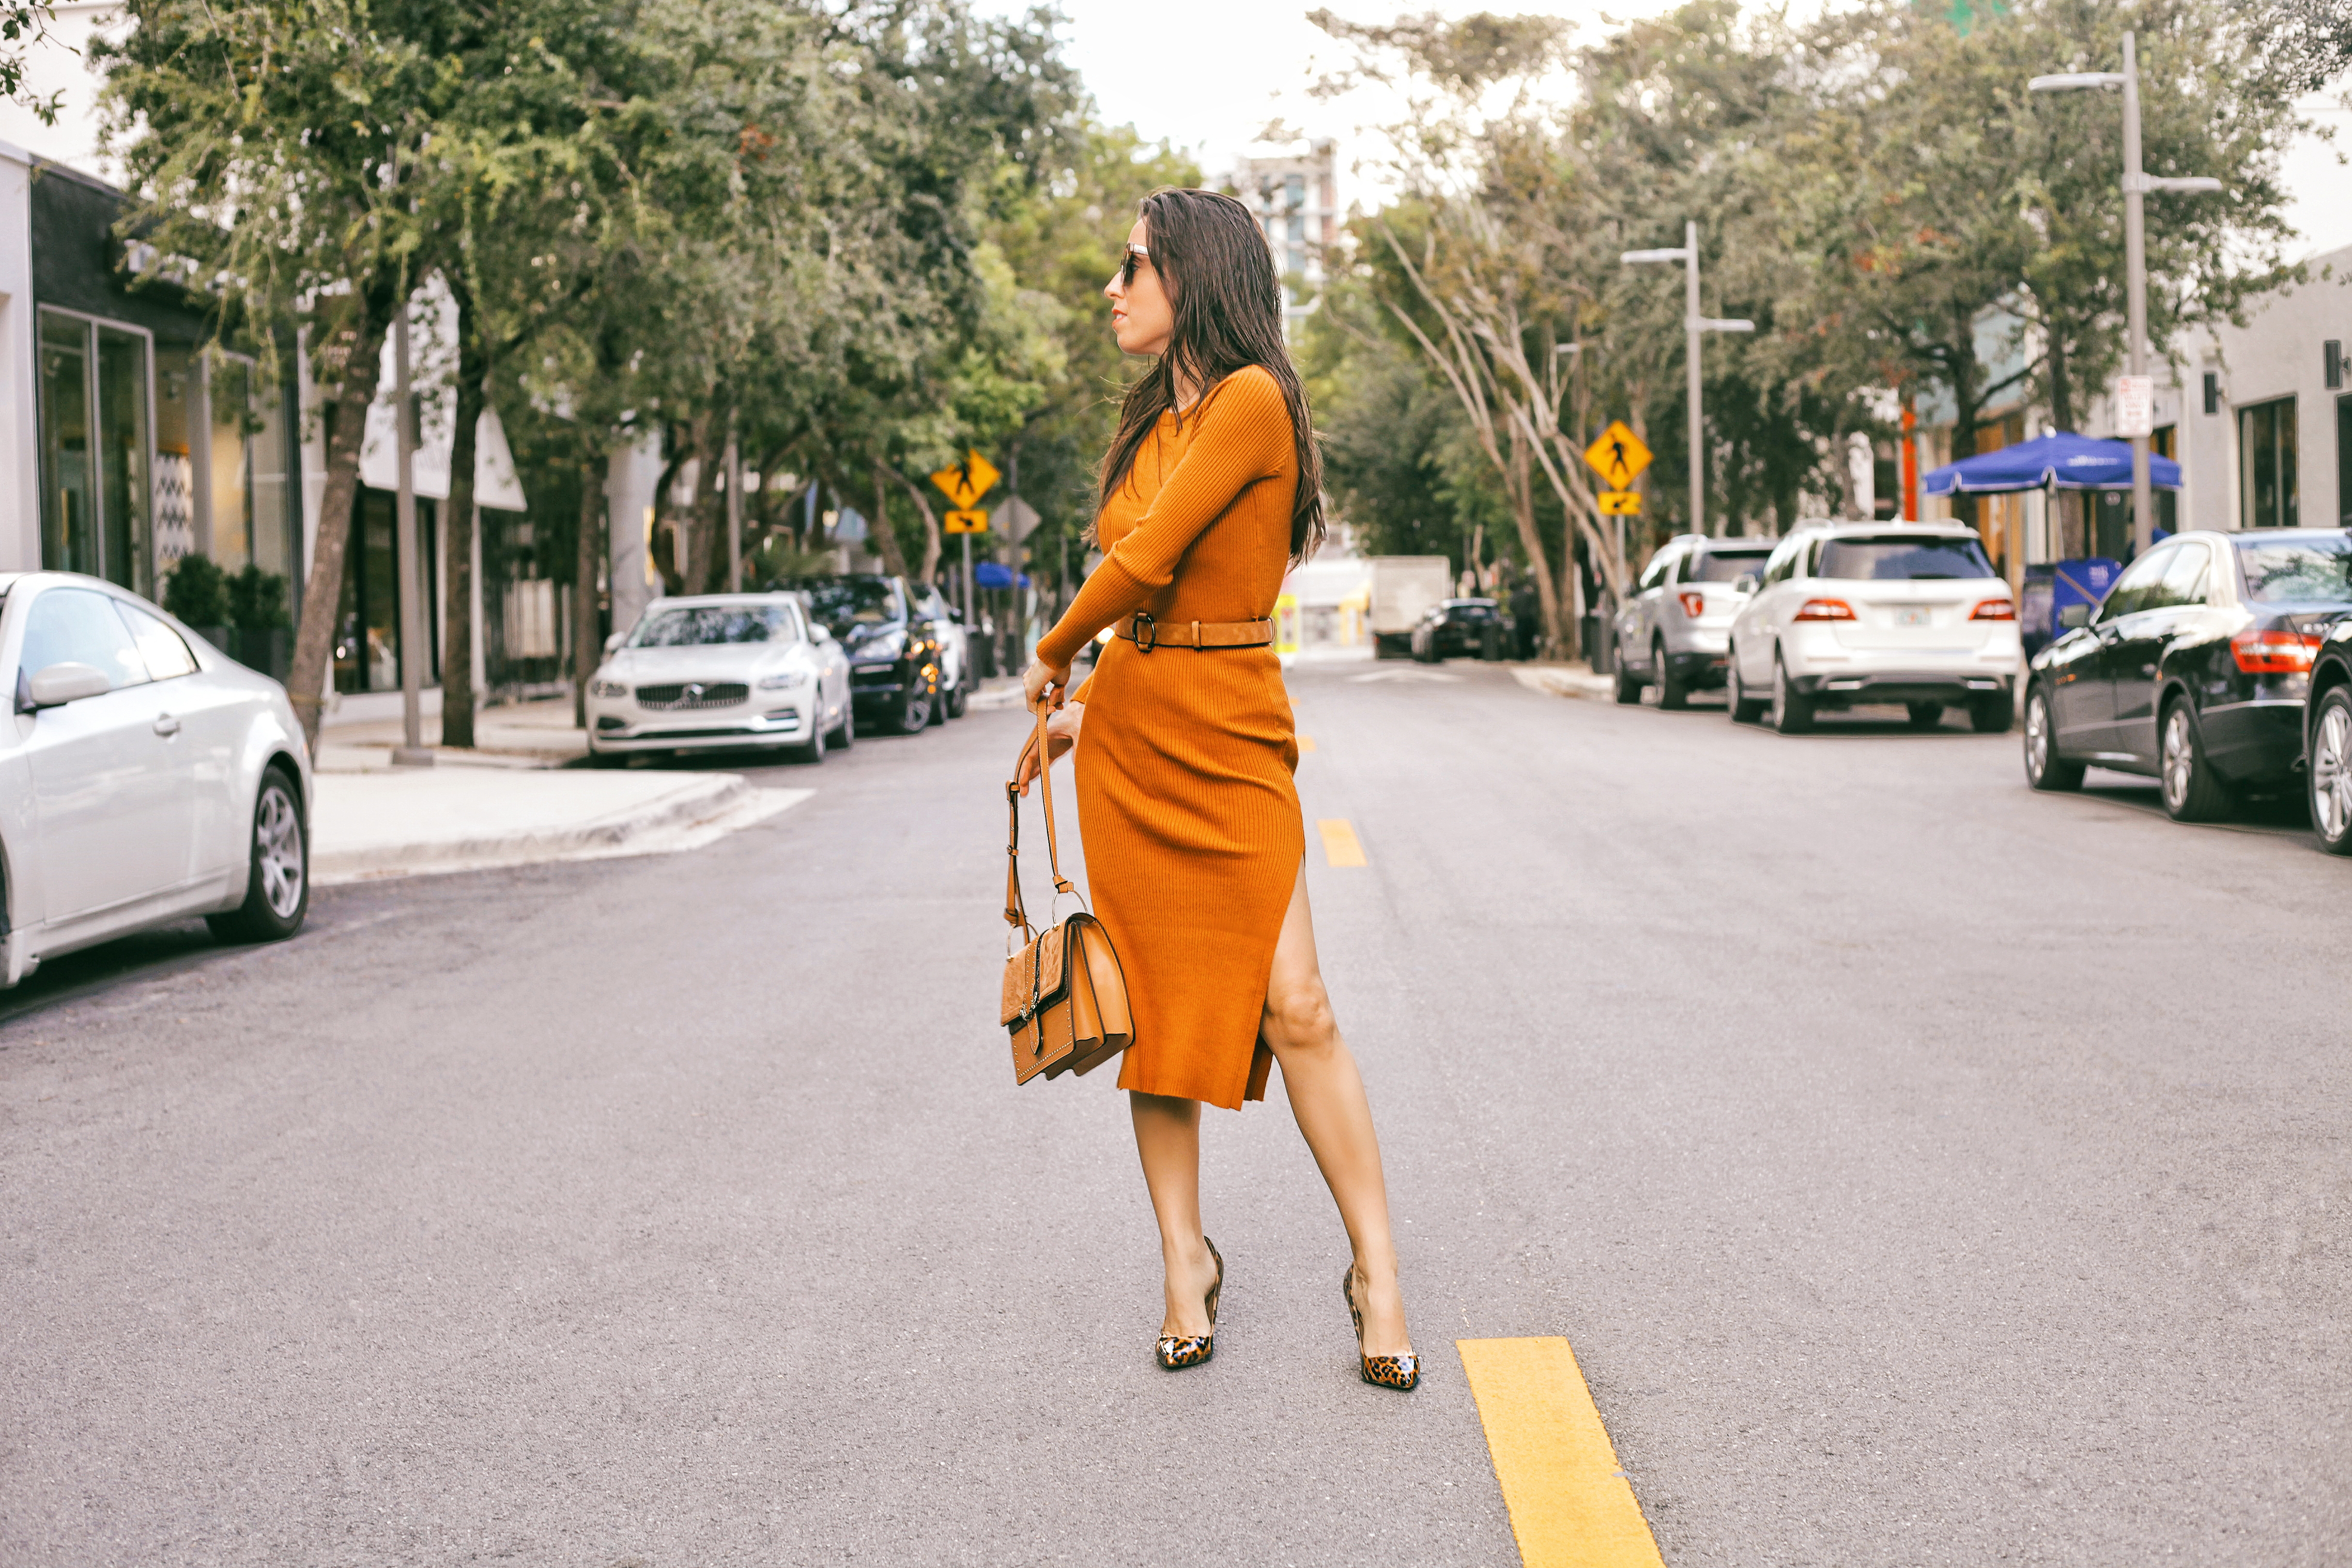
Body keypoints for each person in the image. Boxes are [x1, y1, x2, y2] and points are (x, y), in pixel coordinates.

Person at [1011, 188, 1418, 1390]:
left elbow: (1139, 562)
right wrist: (1083, 706)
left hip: (1235, 731)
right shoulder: (1149, 430)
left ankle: (1377, 1271)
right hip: (1134, 736)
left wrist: (1047, 655)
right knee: (1154, 1019)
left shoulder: (1251, 403)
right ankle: (1183, 1264)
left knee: (1297, 1006)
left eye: (1131, 264)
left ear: (1190, 275)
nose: (1112, 287)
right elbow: (1143, 600)